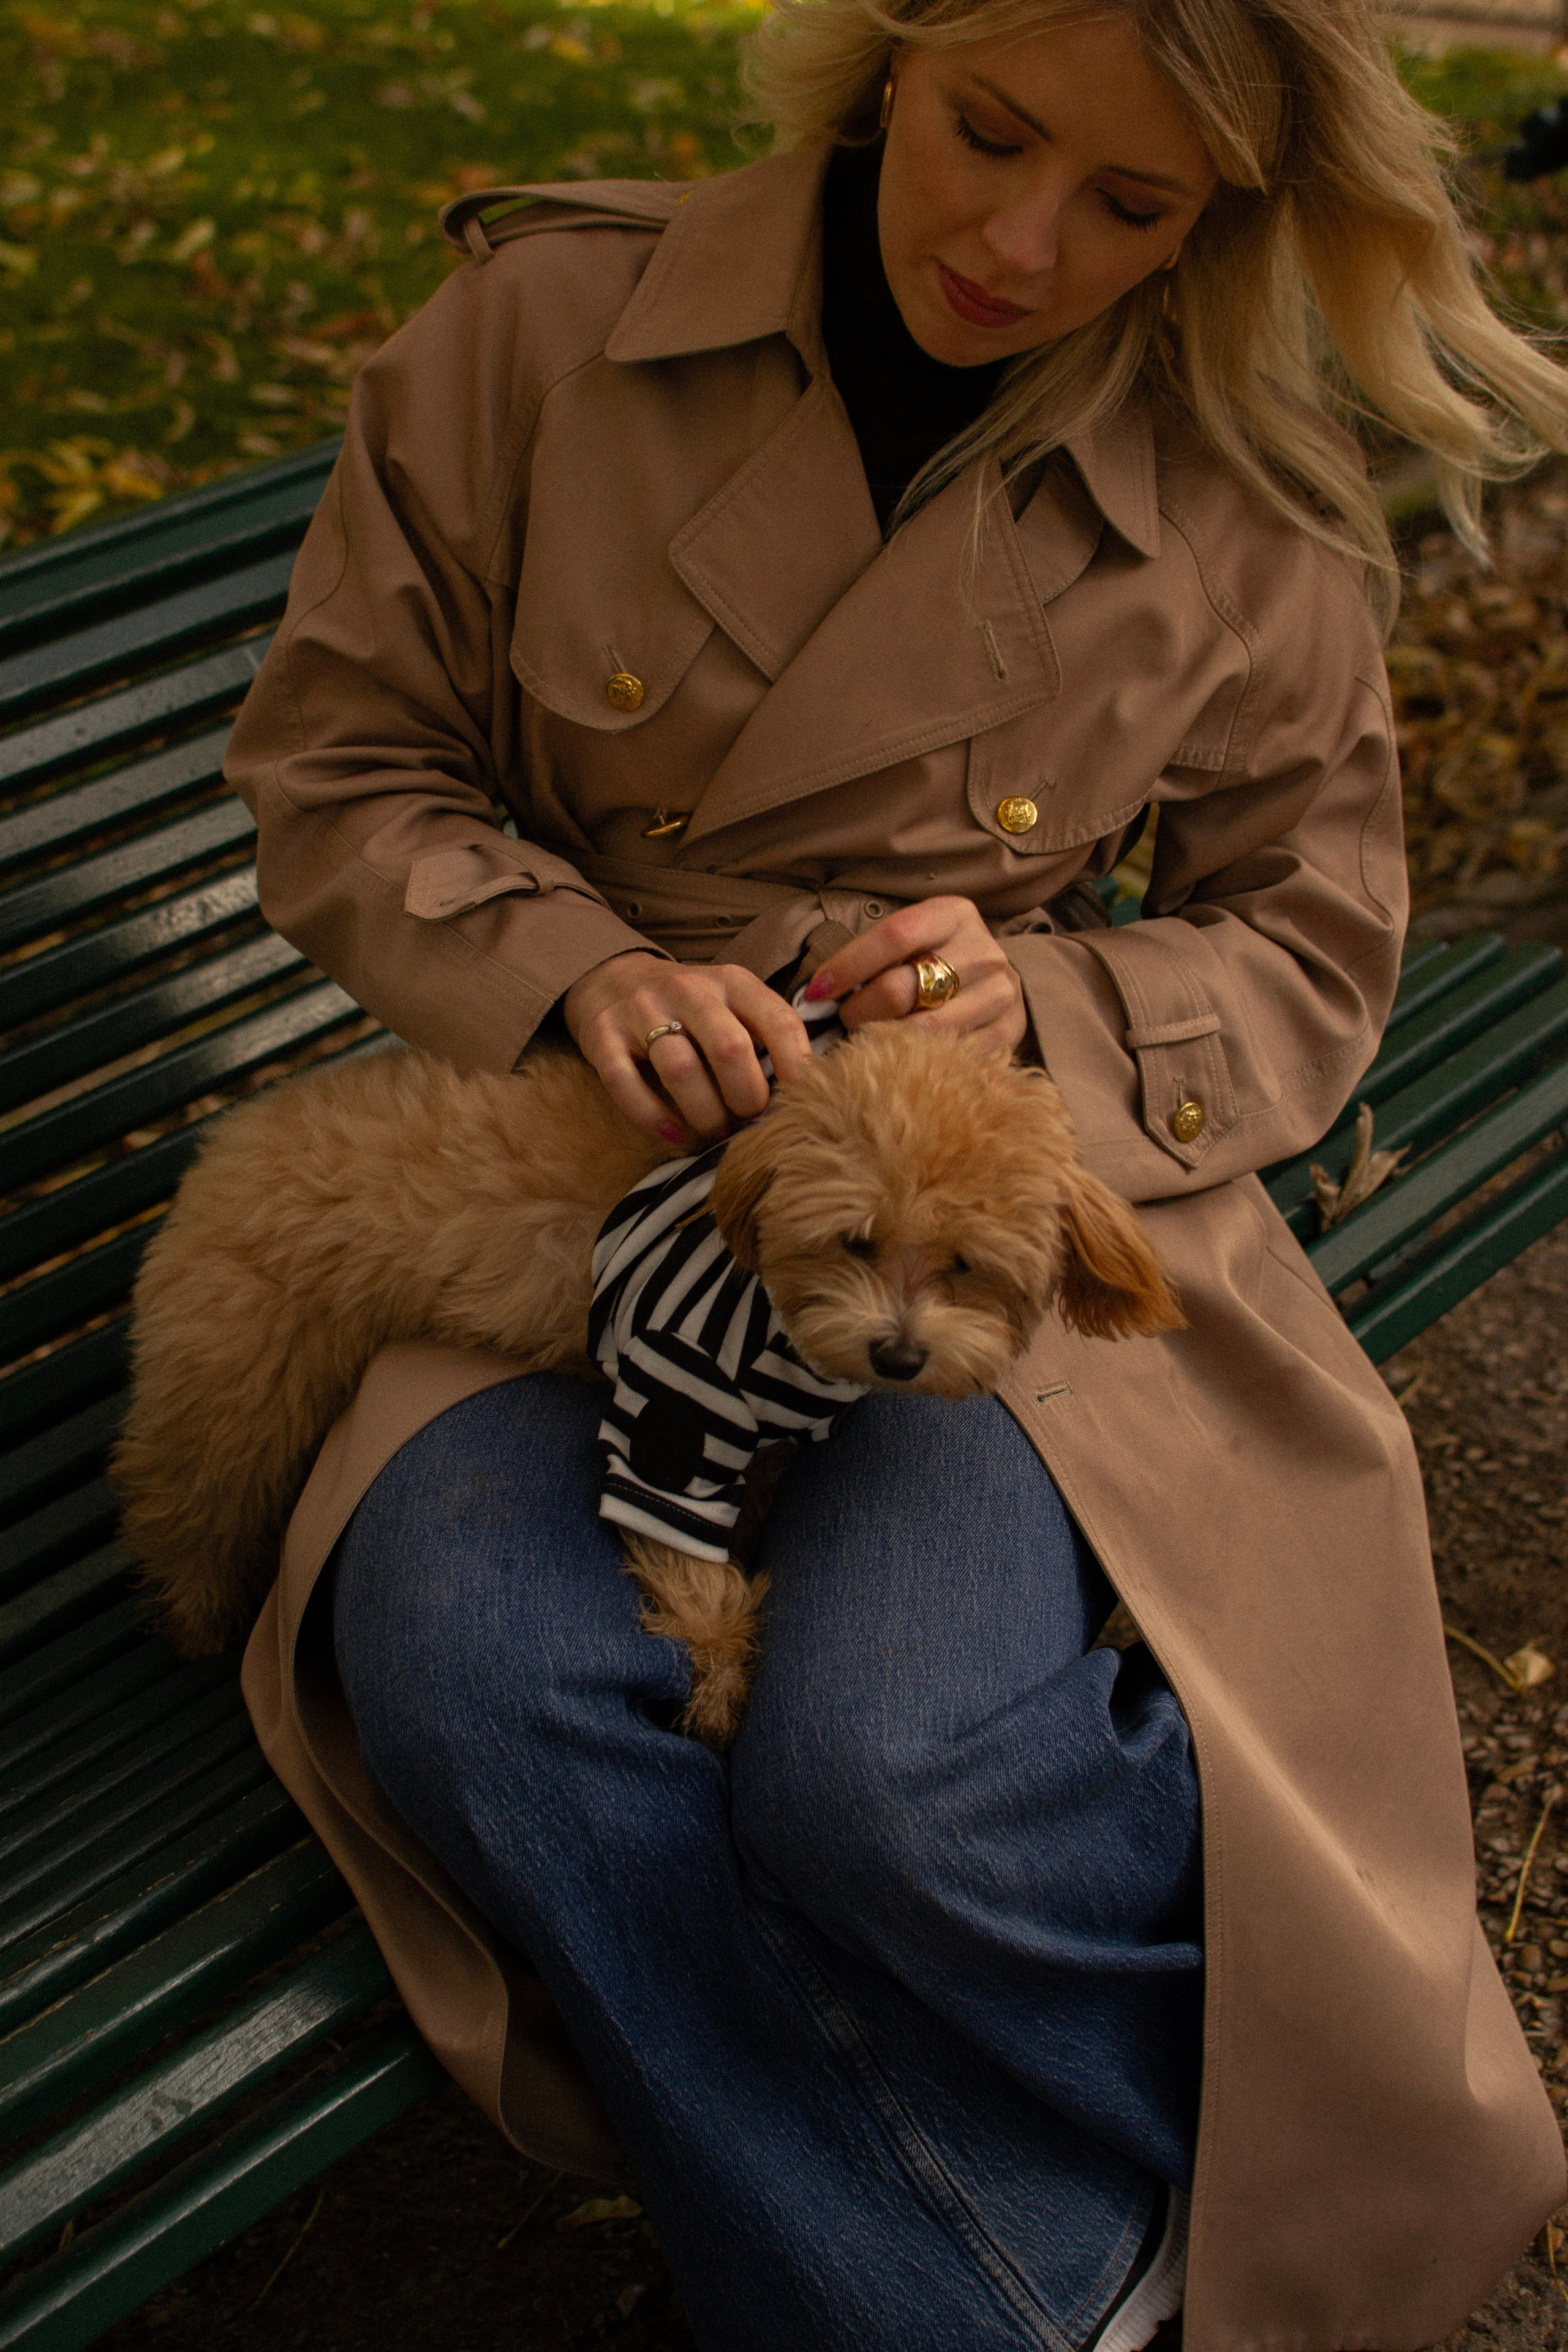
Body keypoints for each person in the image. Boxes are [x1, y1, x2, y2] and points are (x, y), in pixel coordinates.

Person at [225, 0, 1568, 2342]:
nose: (1021, 242)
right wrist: (571, 968)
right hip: (572, 1187)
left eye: (1133, 205)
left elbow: (1316, 939)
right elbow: (345, 762)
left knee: (897, 1770)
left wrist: (1045, 1003)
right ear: (881, 55)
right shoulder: (548, 331)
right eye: (988, 132)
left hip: (979, 1215)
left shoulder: (1239, 486)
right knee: (477, 1674)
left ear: (1223, 223)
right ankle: (1046, 2285)